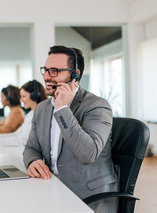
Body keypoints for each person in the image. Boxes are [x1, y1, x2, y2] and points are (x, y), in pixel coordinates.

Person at [23, 46, 118, 213]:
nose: (46, 76)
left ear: (75, 75)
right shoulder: (42, 109)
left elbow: (88, 154)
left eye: (54, 71)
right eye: (45, 70)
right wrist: (32, 161)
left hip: (90, 198)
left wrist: (62, 110)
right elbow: (31, 147)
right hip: (51, 188)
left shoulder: (97, 106)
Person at [0, 80, 47, 146]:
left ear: (34, 96)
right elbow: (16, 134)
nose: (21, 100)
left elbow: (22, 140)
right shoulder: (30, 114)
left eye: (24, 97)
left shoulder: (40, 115)